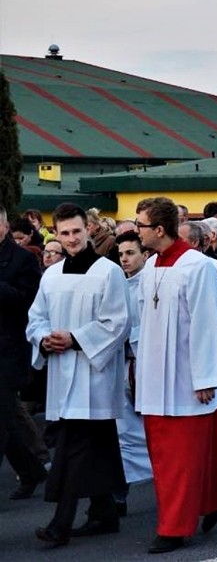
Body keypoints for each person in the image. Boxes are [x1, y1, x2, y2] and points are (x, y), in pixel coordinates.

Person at [134, 197, 217, 554]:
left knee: (180, 460)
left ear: (159, 230)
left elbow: (208, 324)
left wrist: (206, 378)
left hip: (187, 381)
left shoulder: (198, 267)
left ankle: (174, 528)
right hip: (156, 381)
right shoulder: (151, 265)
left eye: (140, 225)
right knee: (169, 456)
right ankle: (208, 501)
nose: (137, 231)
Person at [26, 203, 131, 547]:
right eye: (64, 233)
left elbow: (117, 323)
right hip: (61, 372)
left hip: (94, 377)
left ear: (88, 229)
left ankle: (61, 523)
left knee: (73, 449)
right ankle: (104, 512)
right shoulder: (52, 275)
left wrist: (75, 338)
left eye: (76, 231)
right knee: (96, 448)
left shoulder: (108, 271)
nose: (71, 239)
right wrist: (43, 338)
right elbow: (36, 317)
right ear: (55, 233)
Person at [0, 206, 49, 502]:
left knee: (3, 418)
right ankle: (32, 469)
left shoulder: (22, 259)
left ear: (5, 225)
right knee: (10, 419)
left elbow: (29, 303)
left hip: (9, 351)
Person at [113, 231, 153, 516]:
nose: (125, 259)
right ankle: (119, 492)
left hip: (146, 365)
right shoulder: (116, 285)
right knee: (121, 433)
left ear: (144, 254)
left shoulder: (151, 284)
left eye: (130, 253)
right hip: (122, 366)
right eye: (121, 254)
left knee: (154, 432)